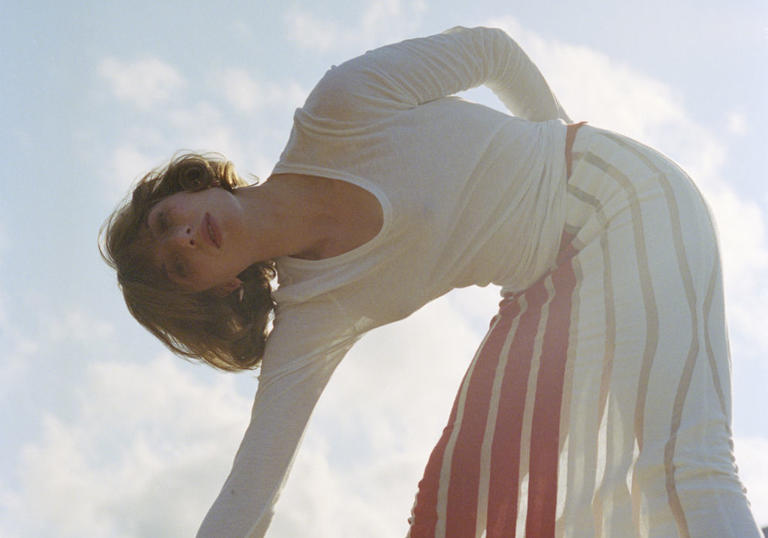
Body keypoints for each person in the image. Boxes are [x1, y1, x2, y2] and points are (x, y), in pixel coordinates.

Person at [100, 26, 762, 537]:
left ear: (195, 186)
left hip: (621, 195)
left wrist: (566, 152)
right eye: (177, 267)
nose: (182, 239)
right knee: (507, 508)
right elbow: (248, 494)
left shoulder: (342, 107)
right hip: (551, 297)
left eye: (166, 223)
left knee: (684, 463)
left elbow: (492, 53)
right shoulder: (311, 318)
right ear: (217, 290)